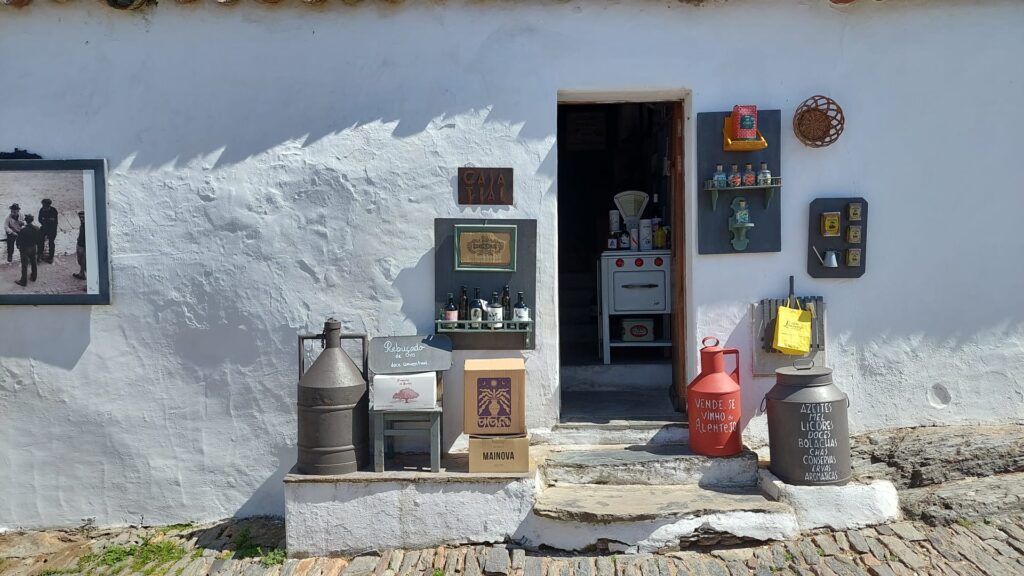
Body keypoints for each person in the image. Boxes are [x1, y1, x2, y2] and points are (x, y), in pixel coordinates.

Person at [14, 213, 39, 286]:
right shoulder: (37, 228)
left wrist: (18, 246)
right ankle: (34, 277)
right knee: (34, 263)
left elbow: (18, 240)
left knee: (24, 265)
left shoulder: (23, 230)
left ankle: (23, 281)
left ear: (26, 221)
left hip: (25, 249)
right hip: (34, 247)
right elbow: (39, 239)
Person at [37, 198, 58, 263]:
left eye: (44, 205)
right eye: (43, 205)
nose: (43, 207)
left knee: (51, 243)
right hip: (44, 227)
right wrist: (48, 220)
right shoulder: (41, 210)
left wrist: (45, 220)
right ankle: (40, 254)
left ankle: (51, 257)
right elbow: (40, 219)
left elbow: (54, 222)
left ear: (48, 205)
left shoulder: (54, 210)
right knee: (40, 240)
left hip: (52, 229)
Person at [73, 211, 86, 280]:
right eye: (80, 217)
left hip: (83, 246)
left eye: (83, 217)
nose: (81, 219)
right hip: (80, 244)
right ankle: (82, 273)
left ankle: (83, 274)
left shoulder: (87, 225)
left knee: (83, 261)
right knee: (80, 260)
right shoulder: (82, 224)